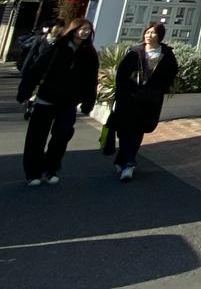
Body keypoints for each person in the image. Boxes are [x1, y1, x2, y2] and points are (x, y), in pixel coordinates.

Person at [16, 18, 99, 186]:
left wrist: (88, 101)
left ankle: (50, 168)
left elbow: (91, 80)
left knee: (62, 135)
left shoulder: (90, 53)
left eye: (88, 29)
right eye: (82, 28)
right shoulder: (57, 47)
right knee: (37, 137)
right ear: (73, 29)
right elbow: (36, 69)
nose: (85, 32)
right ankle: (33, 172)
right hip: (46, 98)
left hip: (69, 102)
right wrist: (25, 91)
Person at [112, 21, 179, 182]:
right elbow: (121, 74)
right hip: (130, 98)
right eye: (147, 32)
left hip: (149, 100)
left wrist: (158, 90)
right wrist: (122, 93)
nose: (149, 35)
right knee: (125, 130)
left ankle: (128, 163)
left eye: (153, 32)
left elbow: (171, 74)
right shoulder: (135, 52)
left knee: (138, 130)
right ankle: (124, 159)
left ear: (160, 35)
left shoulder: (166, 55)